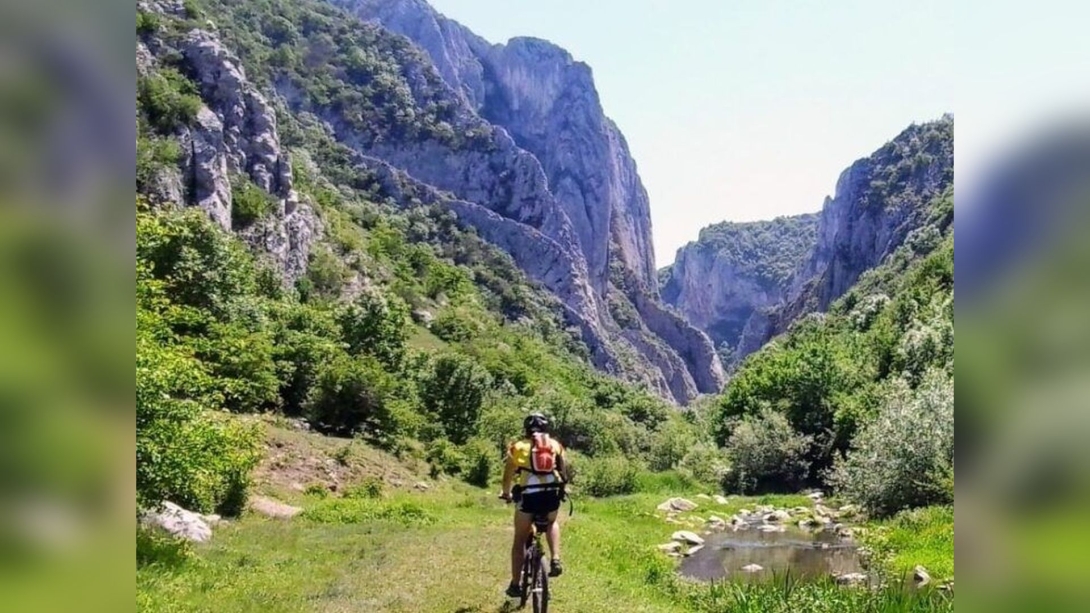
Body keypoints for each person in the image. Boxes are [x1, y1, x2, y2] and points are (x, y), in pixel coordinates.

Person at [499, 412, 568, 598]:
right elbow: (564, 469)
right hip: (552, 494)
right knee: (552, 523)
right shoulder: (555, 445)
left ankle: (515, 584)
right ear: (546, 429)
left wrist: (505, 493)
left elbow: (507, 475)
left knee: (520, 539)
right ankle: (555, 559)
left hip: (529, 497)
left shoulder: (518, 447)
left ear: (527, 430)